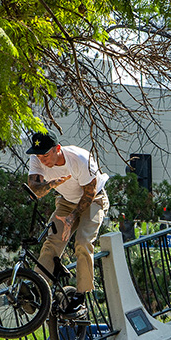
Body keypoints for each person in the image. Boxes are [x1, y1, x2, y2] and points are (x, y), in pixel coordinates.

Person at [26, 132, 111, 314]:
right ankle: (37, 289)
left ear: (57, 149)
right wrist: (52, 184)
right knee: (52, 241)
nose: (42, 160)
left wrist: (72, 218)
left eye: (46, 155)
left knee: (82, 242)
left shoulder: (80, 159)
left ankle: (82, 295)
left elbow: (89, 192)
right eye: (39, 156)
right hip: (66, 201)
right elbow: (35, 191)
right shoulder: (37, 159)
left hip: (94, 199)